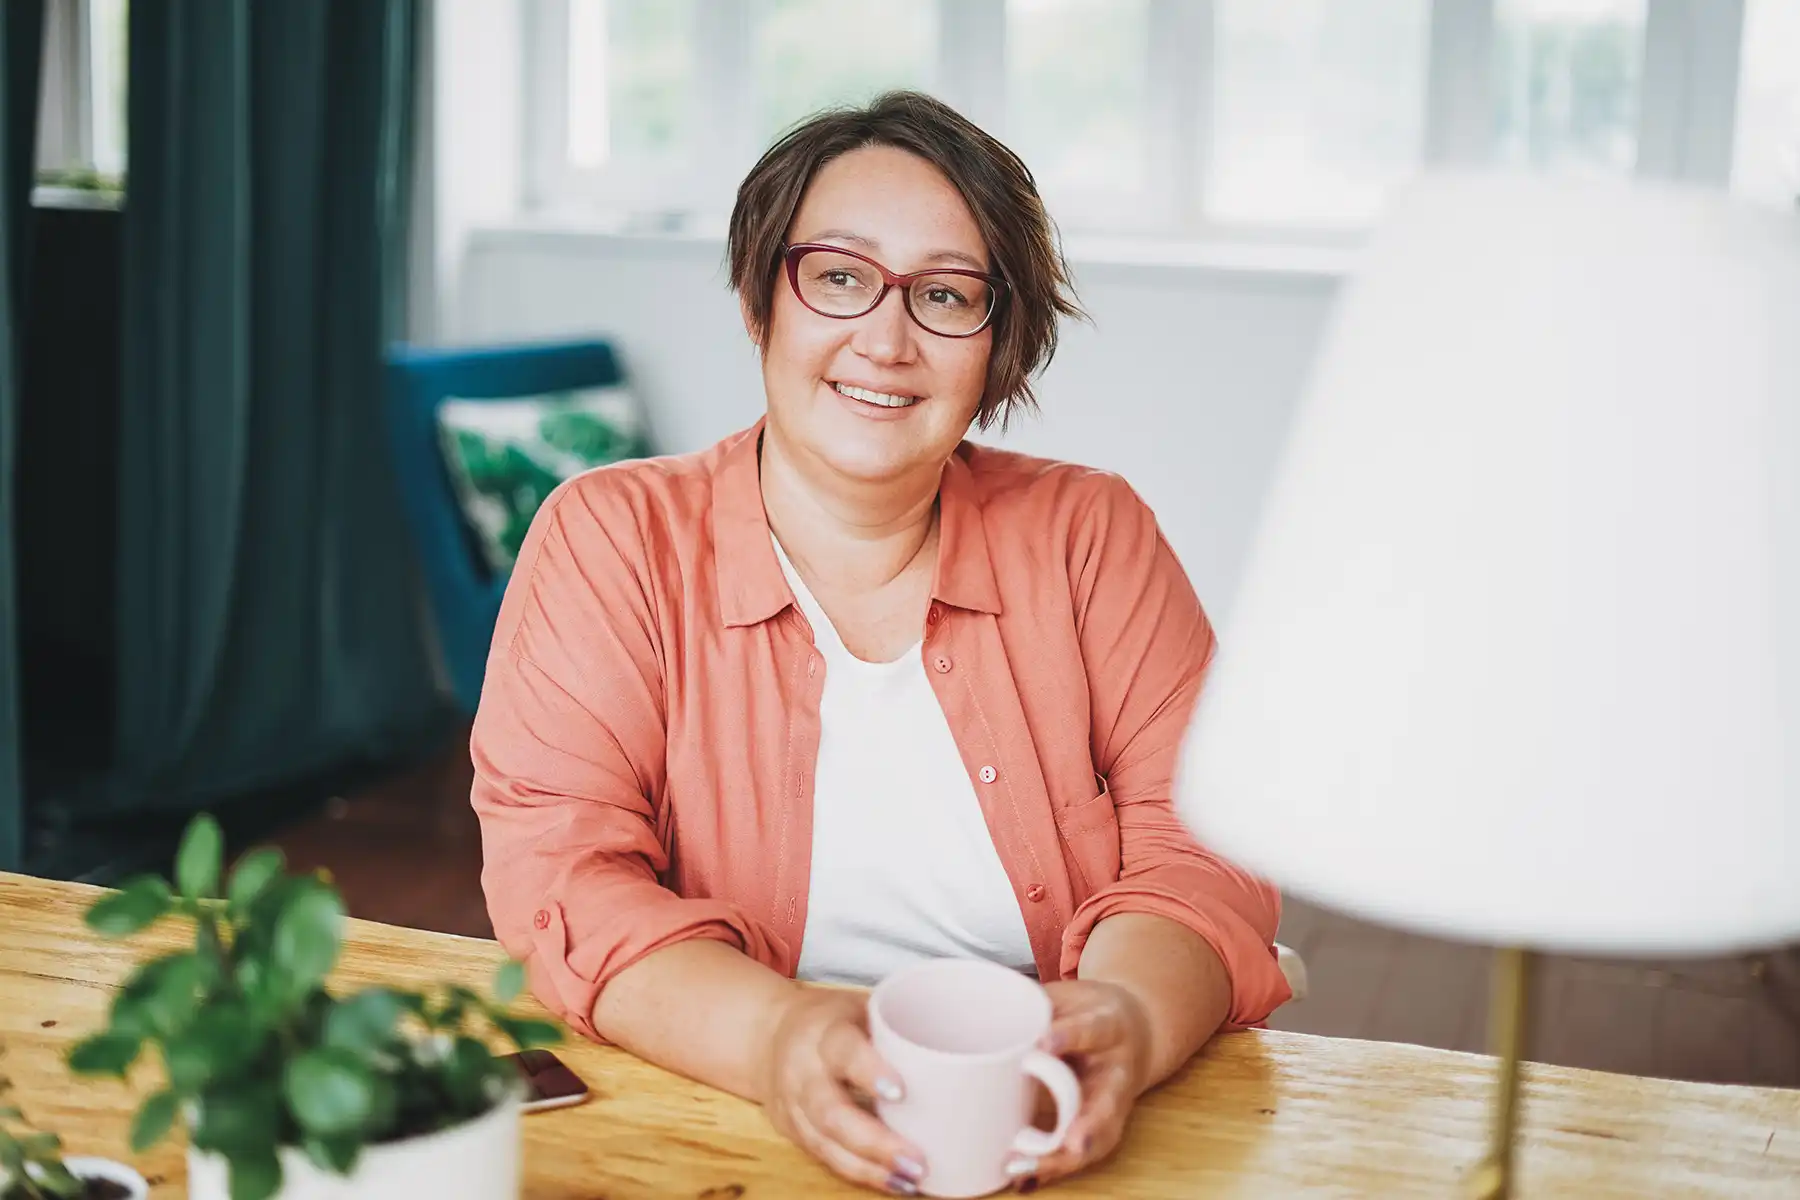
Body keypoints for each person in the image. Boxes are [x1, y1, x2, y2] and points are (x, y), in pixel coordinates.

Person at [471, 91, 1290, 1195]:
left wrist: (1129, 1019)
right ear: (762, 300)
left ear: (998, 345)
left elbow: (1203, 843)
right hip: (724, 1107)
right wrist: (779, 1038)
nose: (887, 341)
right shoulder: (611, 538)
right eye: (840, 276)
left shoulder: (1091, 533)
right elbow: (562, 875)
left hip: (1049, 1121)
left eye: (946, 295)